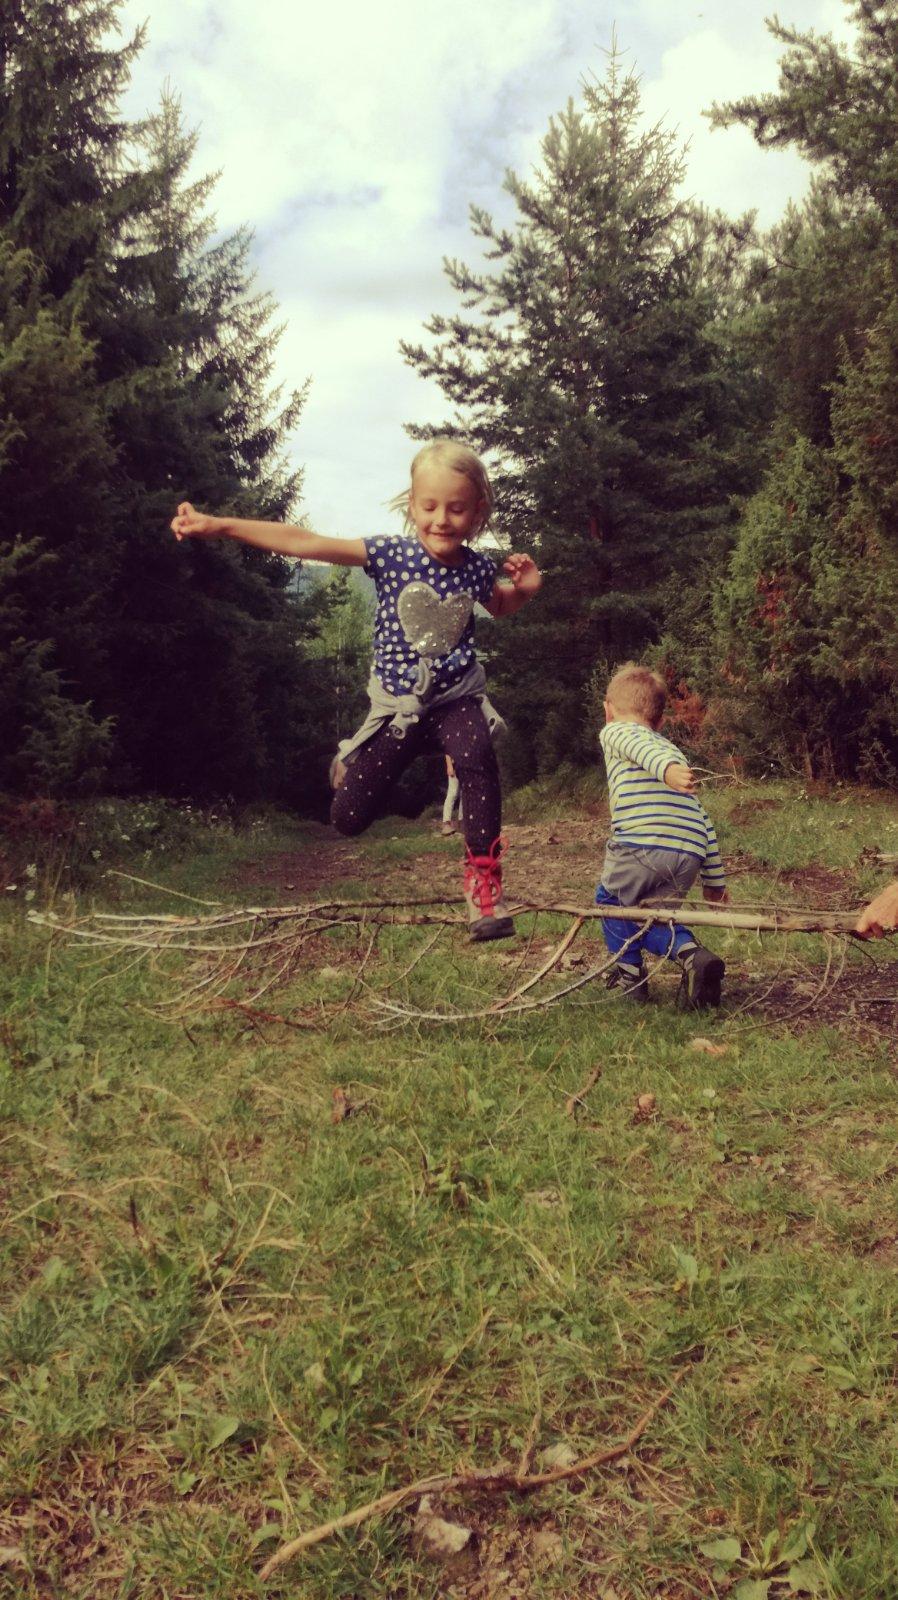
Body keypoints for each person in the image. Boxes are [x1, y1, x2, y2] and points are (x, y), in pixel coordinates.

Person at [170, 438, 542, 941]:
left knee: (477, 757)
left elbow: (498, 606)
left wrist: (524, 591)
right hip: (398, 711)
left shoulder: (477, 567)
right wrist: (218, 525)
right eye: (429, 506)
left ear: (477, 512)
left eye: (456, 509)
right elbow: (304, 542)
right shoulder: (388, 554)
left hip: (455, 699)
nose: (441, 520)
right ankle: (350, 758)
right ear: (412, 505)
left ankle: (484, 887)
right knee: (347, 819)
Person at [595, 662, 729, 1008]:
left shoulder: (615, 732)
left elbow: (638, 746)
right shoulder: (673, 751)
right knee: (656, 919)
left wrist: (666, 771)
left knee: (612, 904)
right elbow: (702, 817)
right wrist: (714, 880)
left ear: (608, 710)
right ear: (661, 722)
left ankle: (630, 977)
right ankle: (693, 956)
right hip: (690, 850)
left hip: (642, 843)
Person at [441, 755, 462, 835]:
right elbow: (448, 751)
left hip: (466, 765)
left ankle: (462, 821)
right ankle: (446, 823)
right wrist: (449, 766)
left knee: (465, 794)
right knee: (453, 793)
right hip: (455, 765)